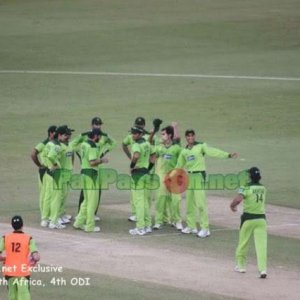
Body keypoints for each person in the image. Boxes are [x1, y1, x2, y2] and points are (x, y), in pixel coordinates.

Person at [176, 129, 238, 237]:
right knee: (189, 203)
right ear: (186, 138)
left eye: (192, 136)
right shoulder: (184, 151)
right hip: (189, 177)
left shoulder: (201, 146)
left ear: (194, 136)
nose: (190, 138)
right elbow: (179, 165)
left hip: (199, 175)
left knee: (200, 203)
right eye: (188, 136)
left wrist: (227, 155)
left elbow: (213, 152)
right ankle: (191, 226)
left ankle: (205, 228)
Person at [230, 167, 267, 279]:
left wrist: (232, 205)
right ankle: (263, 269)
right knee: (261, 246)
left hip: (248, 219)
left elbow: (238, 199)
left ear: (250, 176)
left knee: (243, 242)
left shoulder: (245, 187)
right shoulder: (263, 188)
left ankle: (241, 266)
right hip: (261, 220)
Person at [78, 117, 116, 221]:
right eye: (96, 124)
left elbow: (114, 143)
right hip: (91, 168)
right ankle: (83, 216)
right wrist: (82, 157)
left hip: (98, 168)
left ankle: (91, 214)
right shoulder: (87, 138)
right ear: (92, 125)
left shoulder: (101, 137)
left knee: (96, 192)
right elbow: (74, 145)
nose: (98, 126)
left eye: (100, 124)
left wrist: (103, 153)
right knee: (87, 194)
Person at [73, 128, 108, 232]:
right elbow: (92, 162)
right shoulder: (92, 146)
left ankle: (78, 222)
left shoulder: (84, 144)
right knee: (92, 202)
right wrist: (102, 160)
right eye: (99, 136)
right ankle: (89, 226)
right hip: (92, 175)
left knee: (86, 201)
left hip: (84, 173)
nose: (100, 138)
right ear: (96, 136)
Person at [0, 215, 40, 300]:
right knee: (24, 296)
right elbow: (36, 257)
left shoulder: (5, 238)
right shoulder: (29, 238)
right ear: (22, 225)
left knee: (12, 296)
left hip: (9, 271)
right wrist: (34, 259)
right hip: (23, 272)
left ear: (12, 225)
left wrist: (5, 259)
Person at [153, 125, 183, 230]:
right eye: (161, 134)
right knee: (160, 199)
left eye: (163, 134)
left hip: (173, 176)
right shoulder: (159, 147)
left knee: (175, 200)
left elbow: (182, 160)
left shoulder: (177, 148)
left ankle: (177, 221)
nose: (161, 136)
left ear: (170, 135)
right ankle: (158, 221)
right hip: (161, 176)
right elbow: (151, 158)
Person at [129, 126, 156, 236]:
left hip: (138, 175)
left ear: (140, 134)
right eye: (133, 133)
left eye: (135, 133)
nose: (133, 135)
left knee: (139, 202)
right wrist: (148, 168)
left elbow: (136, 155)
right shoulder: (147, 144)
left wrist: (131, 166)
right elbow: (153, 157)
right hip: (146, 174)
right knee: (144, 201)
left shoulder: (136, 145)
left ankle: (140, 227)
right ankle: (147, 225)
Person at [31, 125, 56, 225]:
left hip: (51, 171)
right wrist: (39, 165)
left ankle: (49, 214)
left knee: (50, 193)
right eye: (55, 132)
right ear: (50, 133)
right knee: (44, 193)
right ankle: (44, 216)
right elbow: (33, 153)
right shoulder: (44, 143)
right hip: (44, 171)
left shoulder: (54, 143)